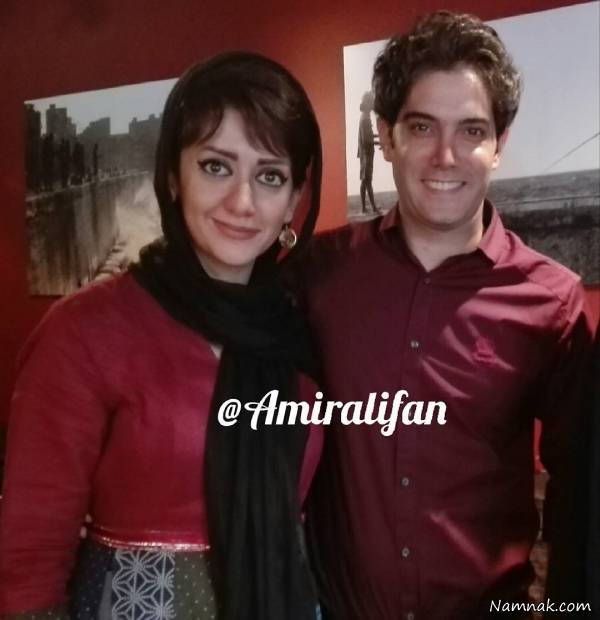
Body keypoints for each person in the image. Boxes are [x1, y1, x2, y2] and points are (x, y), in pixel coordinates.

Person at [293, 11, 595, 620]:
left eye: (471, 131)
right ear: (386, 136)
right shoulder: (317, 275)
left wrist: (570, 610)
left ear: (499, 145)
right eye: (422, 126)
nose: (445, 156)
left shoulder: (554, 303)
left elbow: (583, 495)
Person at [0, 52, 323, 620]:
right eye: (216, 166)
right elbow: (27, 560)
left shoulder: (297, 331)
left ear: (294, 199)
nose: (242, 202)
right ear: (173, 176)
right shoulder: (87, 331)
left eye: (270, 176)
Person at [357, 91, 379, 214]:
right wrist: (380, 142)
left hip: (366, 153)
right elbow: (367, 140)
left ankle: (366, 208)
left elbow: (368, 137)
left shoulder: (365, 117)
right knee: (366, 180)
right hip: (366, 154)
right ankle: (370, 207)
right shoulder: (365, 119)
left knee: (366, 180)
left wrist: (379, 139)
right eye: (371, 102)